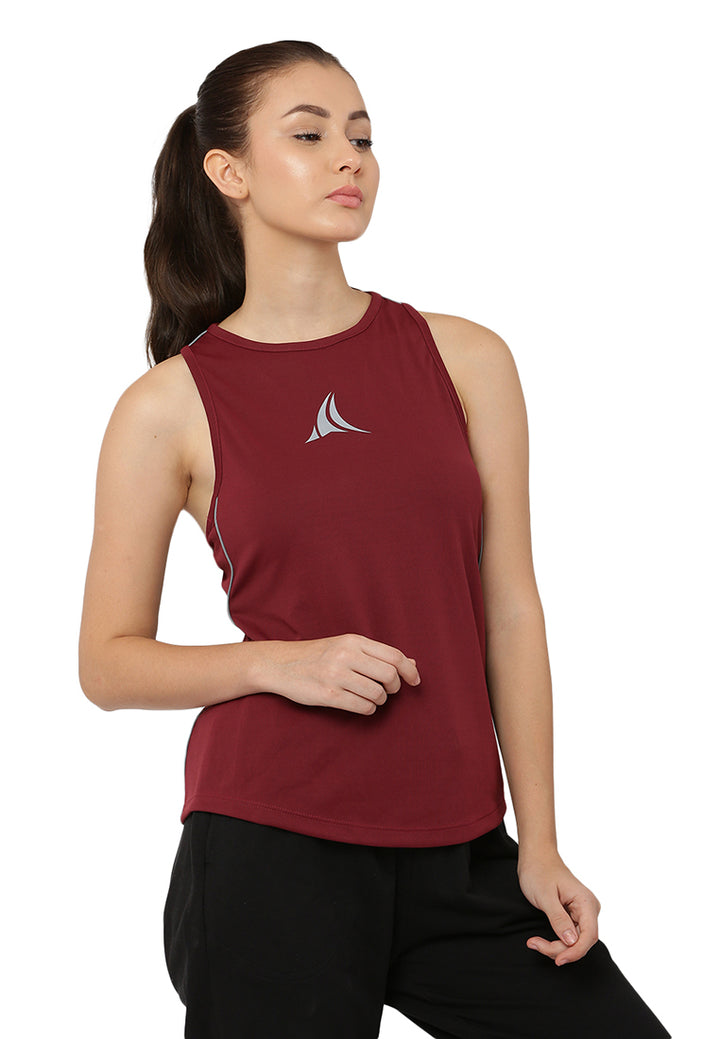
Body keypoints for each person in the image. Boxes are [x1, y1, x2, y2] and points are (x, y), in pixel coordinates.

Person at [78, 39, 672, 1039]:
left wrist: (538, 842)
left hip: (461, 844)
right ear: (228, 171)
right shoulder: (167, 407)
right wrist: (280, 662)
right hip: (271, 842)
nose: (349, 157)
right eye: (309, 136)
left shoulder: (465, 358)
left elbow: (510, 605)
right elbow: (106, 662)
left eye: (361, 136)